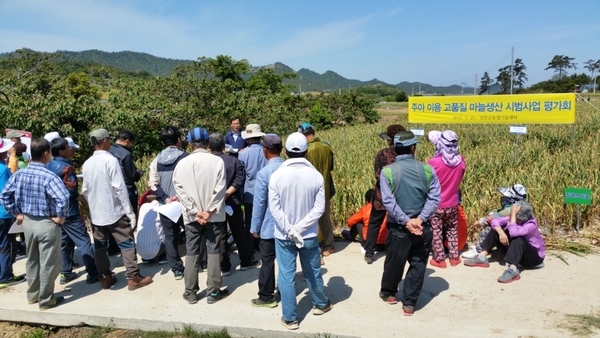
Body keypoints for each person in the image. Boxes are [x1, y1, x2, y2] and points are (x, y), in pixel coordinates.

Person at [269, 132, 332, 330]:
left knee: (286, 275)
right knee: (312, 271)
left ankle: (290, 318)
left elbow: (274, 209)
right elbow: (319, 209)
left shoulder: (277, 175)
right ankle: (320, 304)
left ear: (286, 151)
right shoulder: (315, 176)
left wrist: (290, 229)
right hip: (309, 234)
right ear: (306, 152)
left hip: (284, 235)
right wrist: (300, 228)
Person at [0, 138, 69, 310]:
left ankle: (32, 295)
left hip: (28, 222)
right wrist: (60, 217)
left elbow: (4, 195)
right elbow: (63, 198)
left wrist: (16, 213)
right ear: (47, 153)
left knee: (32, 260)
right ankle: (46, 299)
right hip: (46, 222)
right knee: (49, 262)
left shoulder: (19, 174)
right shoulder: (49, 176)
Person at [82, 128, 153, 291]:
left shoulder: (87, 163)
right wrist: (129, 211)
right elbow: (119, 187)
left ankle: (105, 278)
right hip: (114, 210)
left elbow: (85, 190)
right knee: (127, 243)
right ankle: (133, 278)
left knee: (99, 245)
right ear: (105, 141)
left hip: (96, 213)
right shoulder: (110, 160)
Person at [379, 131, 440, 316]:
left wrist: (406, 221)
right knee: (418, 264)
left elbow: (388, 202)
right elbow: (434, 197)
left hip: (398, 227)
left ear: (396, 149)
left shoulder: (387, 171)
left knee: (394, 262)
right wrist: (420, 219)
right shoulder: (427, 169)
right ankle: (409, 303)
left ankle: (389, 292)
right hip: (423, 227)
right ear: (413, 148)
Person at [173, 126, 229, 305]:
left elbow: (179, 190)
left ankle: (190, 292)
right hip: (214, 216)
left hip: (192, 217)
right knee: (213, 251)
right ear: (207, 143)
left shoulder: (182, 163)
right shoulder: (217, 161)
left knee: (192, 251)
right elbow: (220, 189)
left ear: (190, 143)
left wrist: (195, 211)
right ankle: (213, 293)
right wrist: (209, 211)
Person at [46, 137, 99, 285]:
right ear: (62, 151)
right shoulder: (66, 167)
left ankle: (65, 272)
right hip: (69, 210)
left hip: (55, 211)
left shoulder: (47, 166)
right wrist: (79, 197)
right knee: (83, 242)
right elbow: (71, 190)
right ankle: (93, 273)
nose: (72, 149)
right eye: (69, 147)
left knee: (64, 242)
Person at [464, 200, 546, 283]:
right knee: (496, 230)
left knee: (518, 238)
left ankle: (513, 269)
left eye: (513, 216)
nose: (511, 217)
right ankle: (482, 257)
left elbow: (514, 233)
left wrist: (513, 214)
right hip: (519, 252)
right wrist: (500, 232)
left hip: (534, 258)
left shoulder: (531, 224)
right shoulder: (513, 218)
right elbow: (494, 221)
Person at [209, 132, 256, 274]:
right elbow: (240, 178)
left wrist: (218, 197)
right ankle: (246, 261)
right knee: (239, 233)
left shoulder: (207, 162)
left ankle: (225, 266)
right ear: (224, 145)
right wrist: (228, 193)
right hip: (233, 202)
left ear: (209, 146)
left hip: (213, 204)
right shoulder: (233, 161)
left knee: (220, 234)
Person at [148, 126, 188, 280]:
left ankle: (177, 270)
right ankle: (200, 263)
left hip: (166, 206)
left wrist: (166, 198)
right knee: (192, 234)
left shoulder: (156, 161)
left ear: (162, 142)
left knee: (170, 237)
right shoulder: (186, 157)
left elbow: (153, 184)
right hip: (185, 204)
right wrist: (179, 196)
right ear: (178, 140)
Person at [250, 134, 285, 308]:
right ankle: (286, 291)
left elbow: (259, 203)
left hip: (269, 226)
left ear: (265, 151)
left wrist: (254, 227)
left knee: (267, 261)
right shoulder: (289, 168)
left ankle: (266, 296)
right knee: (287, 262)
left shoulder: (264, 173)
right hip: (287, 226)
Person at [364, 124, 405, 264]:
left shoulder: (383, 153)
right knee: (395, 224)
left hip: (381, 195)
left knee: (375, 222)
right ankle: (393, 251)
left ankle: (369, 252)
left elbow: (377, 174)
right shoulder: (405, 154)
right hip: (399, 195)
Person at [427, 130, 466, 268]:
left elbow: (427, 183)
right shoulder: (461, 161)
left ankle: (439, 259)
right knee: (452, 229)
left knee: (436, 230)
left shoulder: (433, 162)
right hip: (453, 202)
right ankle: (454, 257)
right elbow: (459, 180)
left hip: (436, 203)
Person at [298, 122, 336, 258]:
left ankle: (316, 245)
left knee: (310, 218)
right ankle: (328, 245)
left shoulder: (306, 150)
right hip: (325, 188)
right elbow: (331, 167)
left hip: (309, 189)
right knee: (325, 218)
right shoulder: (326, 146)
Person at [462, 184, 528, 259]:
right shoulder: (522, 208)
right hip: (515, 241)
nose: (504, 198)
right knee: (494, 218)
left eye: (507, 197)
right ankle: (486, 246)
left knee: (490, 226)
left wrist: (479, 222)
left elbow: (493, 218)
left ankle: (479, 250)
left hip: (512, 241)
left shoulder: (510, 210)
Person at [0, 138, 26, 289]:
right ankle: (5, 276)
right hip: (3, 213)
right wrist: (16, 213)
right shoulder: (3, 170)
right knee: (7, 245)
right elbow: (5, 193)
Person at [238, 123, 267, 253]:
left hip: (250, 191)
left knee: (250, 221)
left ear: (248, 138)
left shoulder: (243, 154)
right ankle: (264, 245)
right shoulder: (267, 151)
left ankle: (251, 248)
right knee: (265, 218)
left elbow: (242, 175)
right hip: (266, 191)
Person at [110, 130, 143, 215]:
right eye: (130, 142)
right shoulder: (126, 154)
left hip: (111, 189)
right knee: (130, 216)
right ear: (127, 141)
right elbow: (132, 175)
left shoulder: (109, 150)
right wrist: (139, 174)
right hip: (127, 189)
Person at [135, 199, 167, 264]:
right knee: (170, 230)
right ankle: (163, 256)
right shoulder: (161, 208)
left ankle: (147, 258)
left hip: (140, 251)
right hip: (155, 251)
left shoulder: (143, 207)